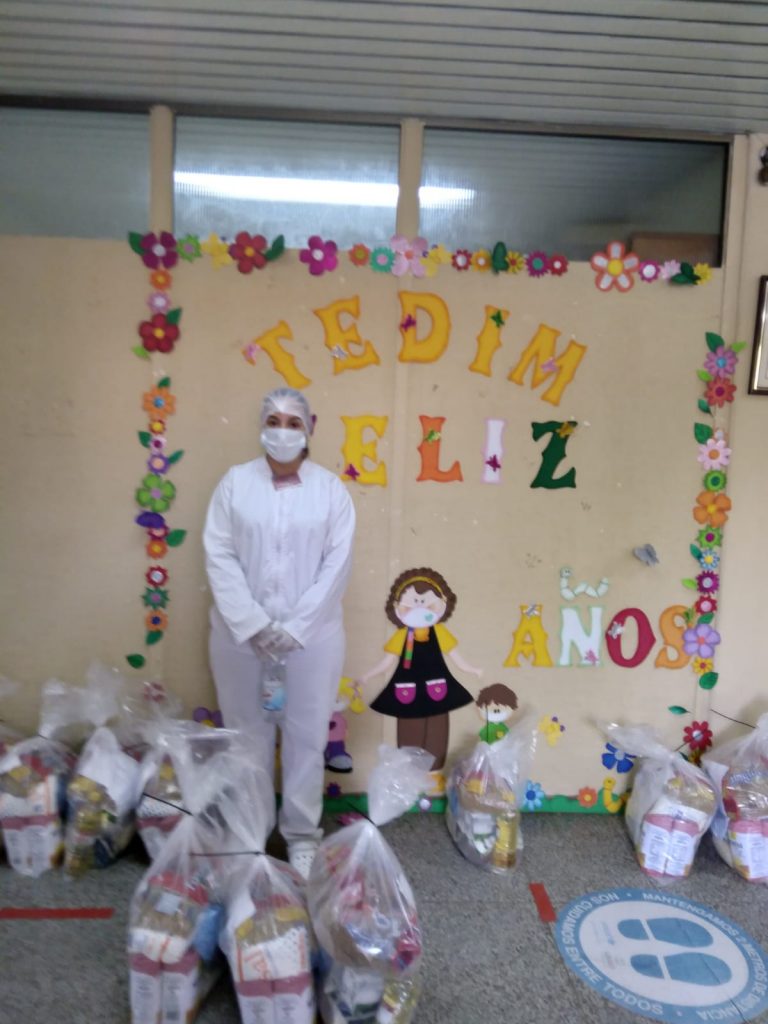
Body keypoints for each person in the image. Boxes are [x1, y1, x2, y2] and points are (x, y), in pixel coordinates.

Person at [203, 386, 356, 878]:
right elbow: (219, 554)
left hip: (312, 642)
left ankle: (301, 836)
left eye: (294, 423)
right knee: (246, 737)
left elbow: (337, 565)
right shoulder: (234, 484)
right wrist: (251, 622)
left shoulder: (331, 491)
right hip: (240, 640)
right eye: (274, 421)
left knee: (306, 737)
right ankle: (250, 831)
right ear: (261, 425)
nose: (283, 431)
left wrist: (297, 626)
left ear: (309, 429)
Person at [358, 566, 482, 771]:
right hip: (408, 690)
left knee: (437, 728)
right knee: (410, 728)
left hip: (437, 689)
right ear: (396, 607)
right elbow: (387, 662)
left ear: (442, 605)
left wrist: (471, 669)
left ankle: (435, 769)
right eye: (410, 605)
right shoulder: (401, 636)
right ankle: (410, 769)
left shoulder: (439, 632)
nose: (419, 609)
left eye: (427, 604)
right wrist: (367, 676)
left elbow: (454, 656)